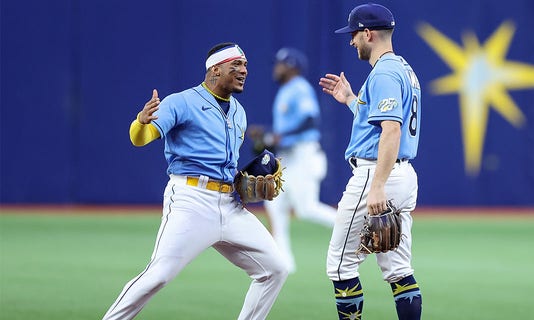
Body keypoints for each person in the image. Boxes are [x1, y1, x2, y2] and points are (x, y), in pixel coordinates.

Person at [102, 42, 288, 320]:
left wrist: (242, 182)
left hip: (230, 204)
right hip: (191, 200)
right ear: (215, 69)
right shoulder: (181, 102)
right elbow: (140, 138)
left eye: (246, 65)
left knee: (275, 269)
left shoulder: (239, 112)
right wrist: (140, 122)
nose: (244, 70)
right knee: (159, 275)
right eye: (236, 65)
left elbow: (225, 164)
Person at [318, 3, 423, 319]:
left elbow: (391, 130)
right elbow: (378, 125)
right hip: (402, 175)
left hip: (376, 174)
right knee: (398, 269)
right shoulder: (404, 69)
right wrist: (351, 100)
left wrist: (377, 186)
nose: (351, 42)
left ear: (368, 33)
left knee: (339, 264)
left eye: (354, 34)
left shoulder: (385, 73)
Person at [249, 47, 336, 273]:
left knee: (306, 208)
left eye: (280, 64)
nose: (276, 68)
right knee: (274, 204)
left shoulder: (299, 88)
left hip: (303, 153)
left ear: (291, 67)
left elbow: (310, 121)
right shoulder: (286, 90)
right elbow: (283, 132)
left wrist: (278, 136)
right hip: (288, 155)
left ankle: (355, 229)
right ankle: (284, 263)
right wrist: (267, 135)